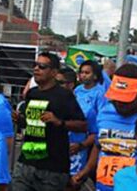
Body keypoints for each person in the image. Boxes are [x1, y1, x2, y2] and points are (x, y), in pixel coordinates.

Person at [12, 52, 87, 191]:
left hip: (52, 168)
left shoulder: (64, 95)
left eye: (42, 66)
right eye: (34, 65)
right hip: (27, 160)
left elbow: (82, 125)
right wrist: (20, 120)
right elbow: (31, 123)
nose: (36, 69)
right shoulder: (32, 93)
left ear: (54, 72)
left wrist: (60, 122)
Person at [73, 64, 137, 191]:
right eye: (116, 97)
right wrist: (84, 172)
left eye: (126, 99)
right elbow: (99, 144)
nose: (119, 103)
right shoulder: (104, 113)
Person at [57, 67, 98, 189]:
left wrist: (81, 145)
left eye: (60, 83)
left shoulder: (86, 108)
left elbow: (95, 134)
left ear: (71, 85)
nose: (56, 86)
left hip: (75, 165)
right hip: (52, 164)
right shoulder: (51, 103)